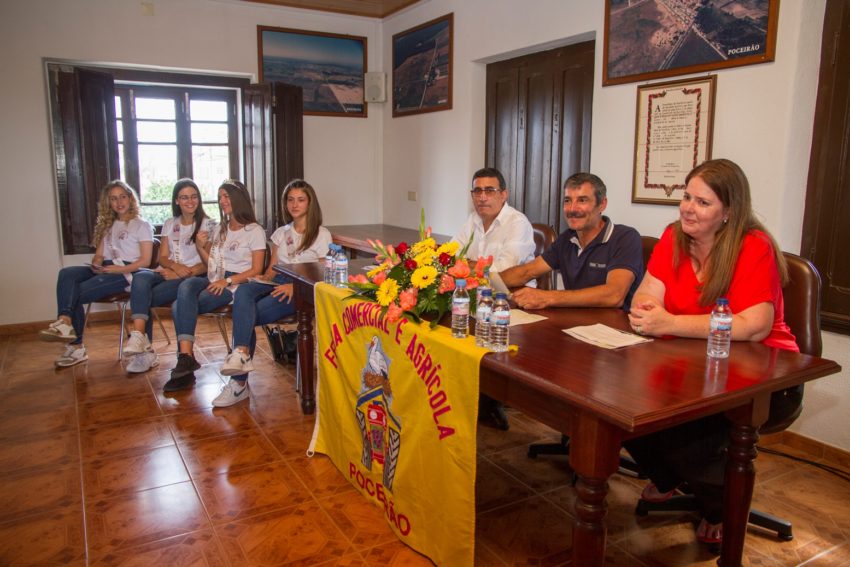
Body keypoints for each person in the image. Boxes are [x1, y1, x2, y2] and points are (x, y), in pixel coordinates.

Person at [624, 158, 798, 546]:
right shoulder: (673, 236)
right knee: (621, 409)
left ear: (729, 212)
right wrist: (653, 310)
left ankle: (720, 508)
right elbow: (648, 293)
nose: (688, 207)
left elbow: (754, 326)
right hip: (692, 364)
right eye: (686, 197)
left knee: (691, 433)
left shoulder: (754, 246)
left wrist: (669, 323)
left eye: (702, 202)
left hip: (767, 376)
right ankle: (669, 479)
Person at [213, 179, 332, 407]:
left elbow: (321, 275)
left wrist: (294, 287)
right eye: (290, 200)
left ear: (310, 203)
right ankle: (240, 354)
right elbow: (272, 269)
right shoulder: (280, 233)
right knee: (244, 292)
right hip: (276, 280)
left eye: (300, 200)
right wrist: (262, 278)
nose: (294, 205)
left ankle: (239, 382)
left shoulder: (321, 234)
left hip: (301, 289)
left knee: (247, 314)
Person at [453, 167, 536, 430]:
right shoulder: (473, 220)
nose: (482, 197)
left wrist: (468, 266)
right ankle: (466, 396)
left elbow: (501, 273)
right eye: (477, 190)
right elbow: (450, 255)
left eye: (489, 190)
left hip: (511, 303)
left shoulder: (517, 223)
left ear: (504, 194)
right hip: (478, 296)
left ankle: (490, 401)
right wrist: (474, 266)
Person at [164, 180, 266, 392]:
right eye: (220, 197)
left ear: (239, 199)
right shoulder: (221, 228)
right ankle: (186, 357)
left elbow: (256, 269)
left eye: (226, 197)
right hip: (216, 277)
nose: (222, 202)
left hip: (236, 283)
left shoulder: (254, 230)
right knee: (187, 287)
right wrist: (201, 246)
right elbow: (211, 261)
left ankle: (185, 361)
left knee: (177, 307)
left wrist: (227, 281)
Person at [40, 181, 153, 367]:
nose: (119, 202)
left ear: (130, 198)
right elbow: (100, 255)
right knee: (67, 274)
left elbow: (145, 261)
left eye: (123, 197)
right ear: (108, 202)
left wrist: (120, 269)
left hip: (125, 272)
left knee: (75, 292)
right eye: (113, 198)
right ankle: (65, 321)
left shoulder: (141, 225)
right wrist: (96, 263)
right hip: (105, 270)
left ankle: (75, 345)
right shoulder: (107, 225)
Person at [499, 172, 643, 310]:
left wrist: (548, 297)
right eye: (568, 201)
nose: (572, 209)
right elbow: (527, 272)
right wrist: (487, 282)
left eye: (582, 200)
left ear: (602, 204)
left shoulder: (625, 238)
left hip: (615, 329)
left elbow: (614, 295)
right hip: (575, 324)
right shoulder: (567, 238)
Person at [122, 179, 214, 373]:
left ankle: (145, 353)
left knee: (142, 297)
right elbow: (163, 257)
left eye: (194, 196)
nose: (190, 201)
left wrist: (182, 272)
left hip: (194, 277)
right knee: (140, 278)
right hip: (170, 272)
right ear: (177, 201)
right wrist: (174, 267)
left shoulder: (209, 224)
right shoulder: (170, 223)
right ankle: (139, 335)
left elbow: (211, 262)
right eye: (184, 197)